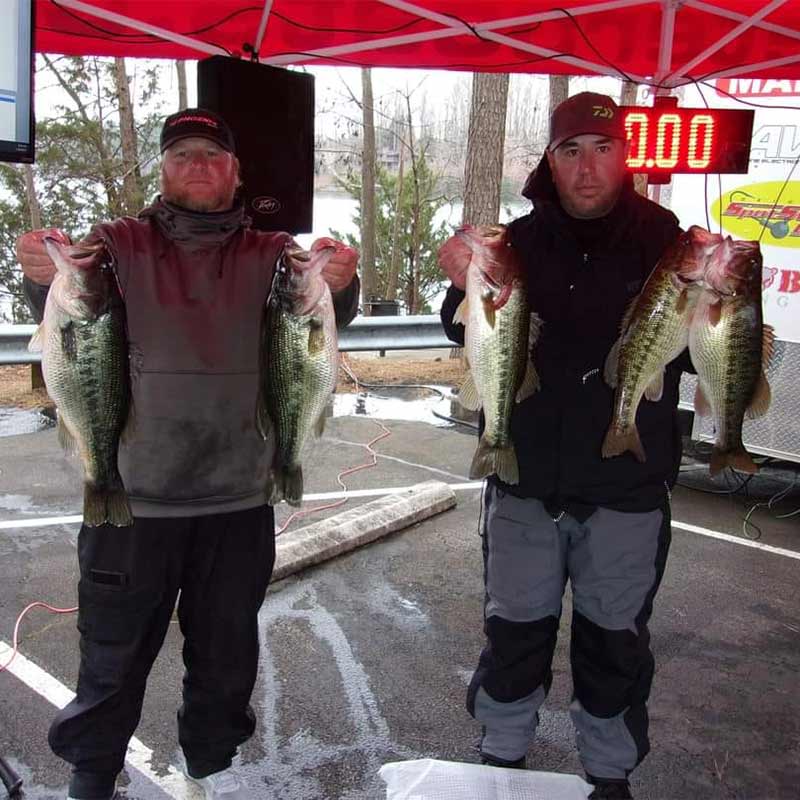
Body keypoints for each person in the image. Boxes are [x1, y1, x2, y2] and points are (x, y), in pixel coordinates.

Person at [16, 107, 360, 800]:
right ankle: (92, 775)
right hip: (132, 498)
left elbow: (317, 325)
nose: (196, 166)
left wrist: (343, 282)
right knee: (111, 654)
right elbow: (70, 312)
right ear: (163, 172)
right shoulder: (116, 244)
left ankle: (208, 770)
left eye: (211, 155)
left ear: (236, 172)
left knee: (225, 659)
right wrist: (34, 274)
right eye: (181, 156)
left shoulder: (272, 253)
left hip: (238, 498)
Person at [439, 92, 687, 800]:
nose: (587, 167)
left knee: (614, 646)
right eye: (570, 150)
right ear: (551, 160)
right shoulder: (515, 242)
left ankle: (608, 777)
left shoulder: (668, 244)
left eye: (603, 149)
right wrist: (460, 285)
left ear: (626, 156)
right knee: (514, 636)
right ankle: (502, 762)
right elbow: (470, 335)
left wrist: (710, 313)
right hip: (527, 485)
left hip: (627, 491)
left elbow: (699, 356)